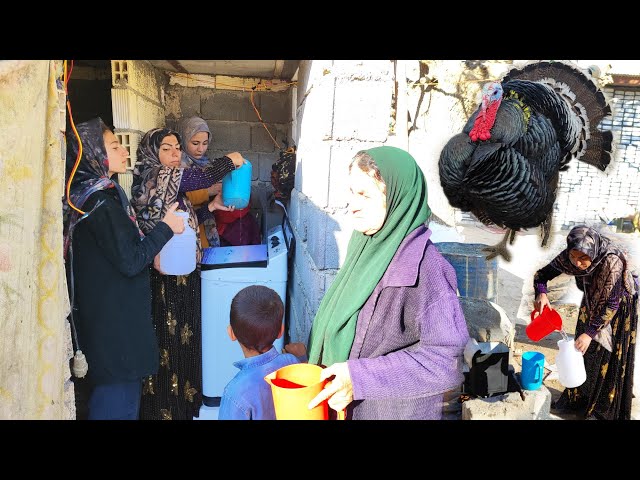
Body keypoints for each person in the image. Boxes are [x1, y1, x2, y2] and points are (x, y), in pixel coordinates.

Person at [306, 146, 470, 420]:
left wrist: (359, 378)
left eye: (364, 195)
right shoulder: (366, 245)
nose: (352, 205)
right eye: (351, 192)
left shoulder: (426, 267)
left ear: (398, 199)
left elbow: (446, 361)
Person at [63, 117, 185, 420]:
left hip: (106, 324)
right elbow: (130, 260)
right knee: (116, 406)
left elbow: (122, 253)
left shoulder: (90, 196)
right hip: (114, 334)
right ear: (92, 153)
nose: (124, 151)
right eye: (114, 145)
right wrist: (166, 228)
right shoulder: (100, 203)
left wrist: (152, 246)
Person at [130, 127, 244, 420]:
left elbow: (184, 218)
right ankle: (164, 411)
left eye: (176, 147)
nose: (175, 153)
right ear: (152, 152)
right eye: (166, 148)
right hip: (165, 279)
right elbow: (202, 178)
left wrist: (210, 206)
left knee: (185, 341)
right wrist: (230, 161)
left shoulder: (168, 182)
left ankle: (184, 406)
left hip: (183, 275)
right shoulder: (154, 176)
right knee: (168, 346)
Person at [533, 225, 638, 420]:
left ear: (593, 252)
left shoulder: (611, 261)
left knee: (606, 356)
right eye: (574, 257)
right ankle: (578, 398)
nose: (577, 263)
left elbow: (611, 304)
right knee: (582, 352)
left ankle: (600, 410)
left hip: (618, 307)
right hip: (591, 301)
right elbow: (542, 275)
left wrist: (589, 333)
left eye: (583, 258)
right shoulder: (570, 257)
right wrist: (542, 293)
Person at [218, 285, 307, 420]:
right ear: (280, 331)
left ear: (231, 333)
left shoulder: (235, 393)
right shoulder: (292, 362)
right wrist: (303, 358)